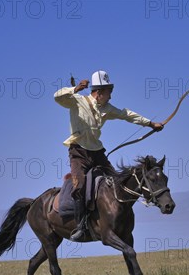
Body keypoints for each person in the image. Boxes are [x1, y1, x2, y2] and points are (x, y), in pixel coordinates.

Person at [54, 70, 164, 241]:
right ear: (98, 93)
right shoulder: (76, 101)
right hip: (78, 152)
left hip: (97, 153)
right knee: (79, 186)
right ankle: (81, 226)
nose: (110, 97)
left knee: (117, 182)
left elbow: (127, 114)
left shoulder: (106, 108)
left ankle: (118, 220)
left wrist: (150, 124)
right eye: (108, 93)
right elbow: (57, 97)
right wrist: (75, 89)